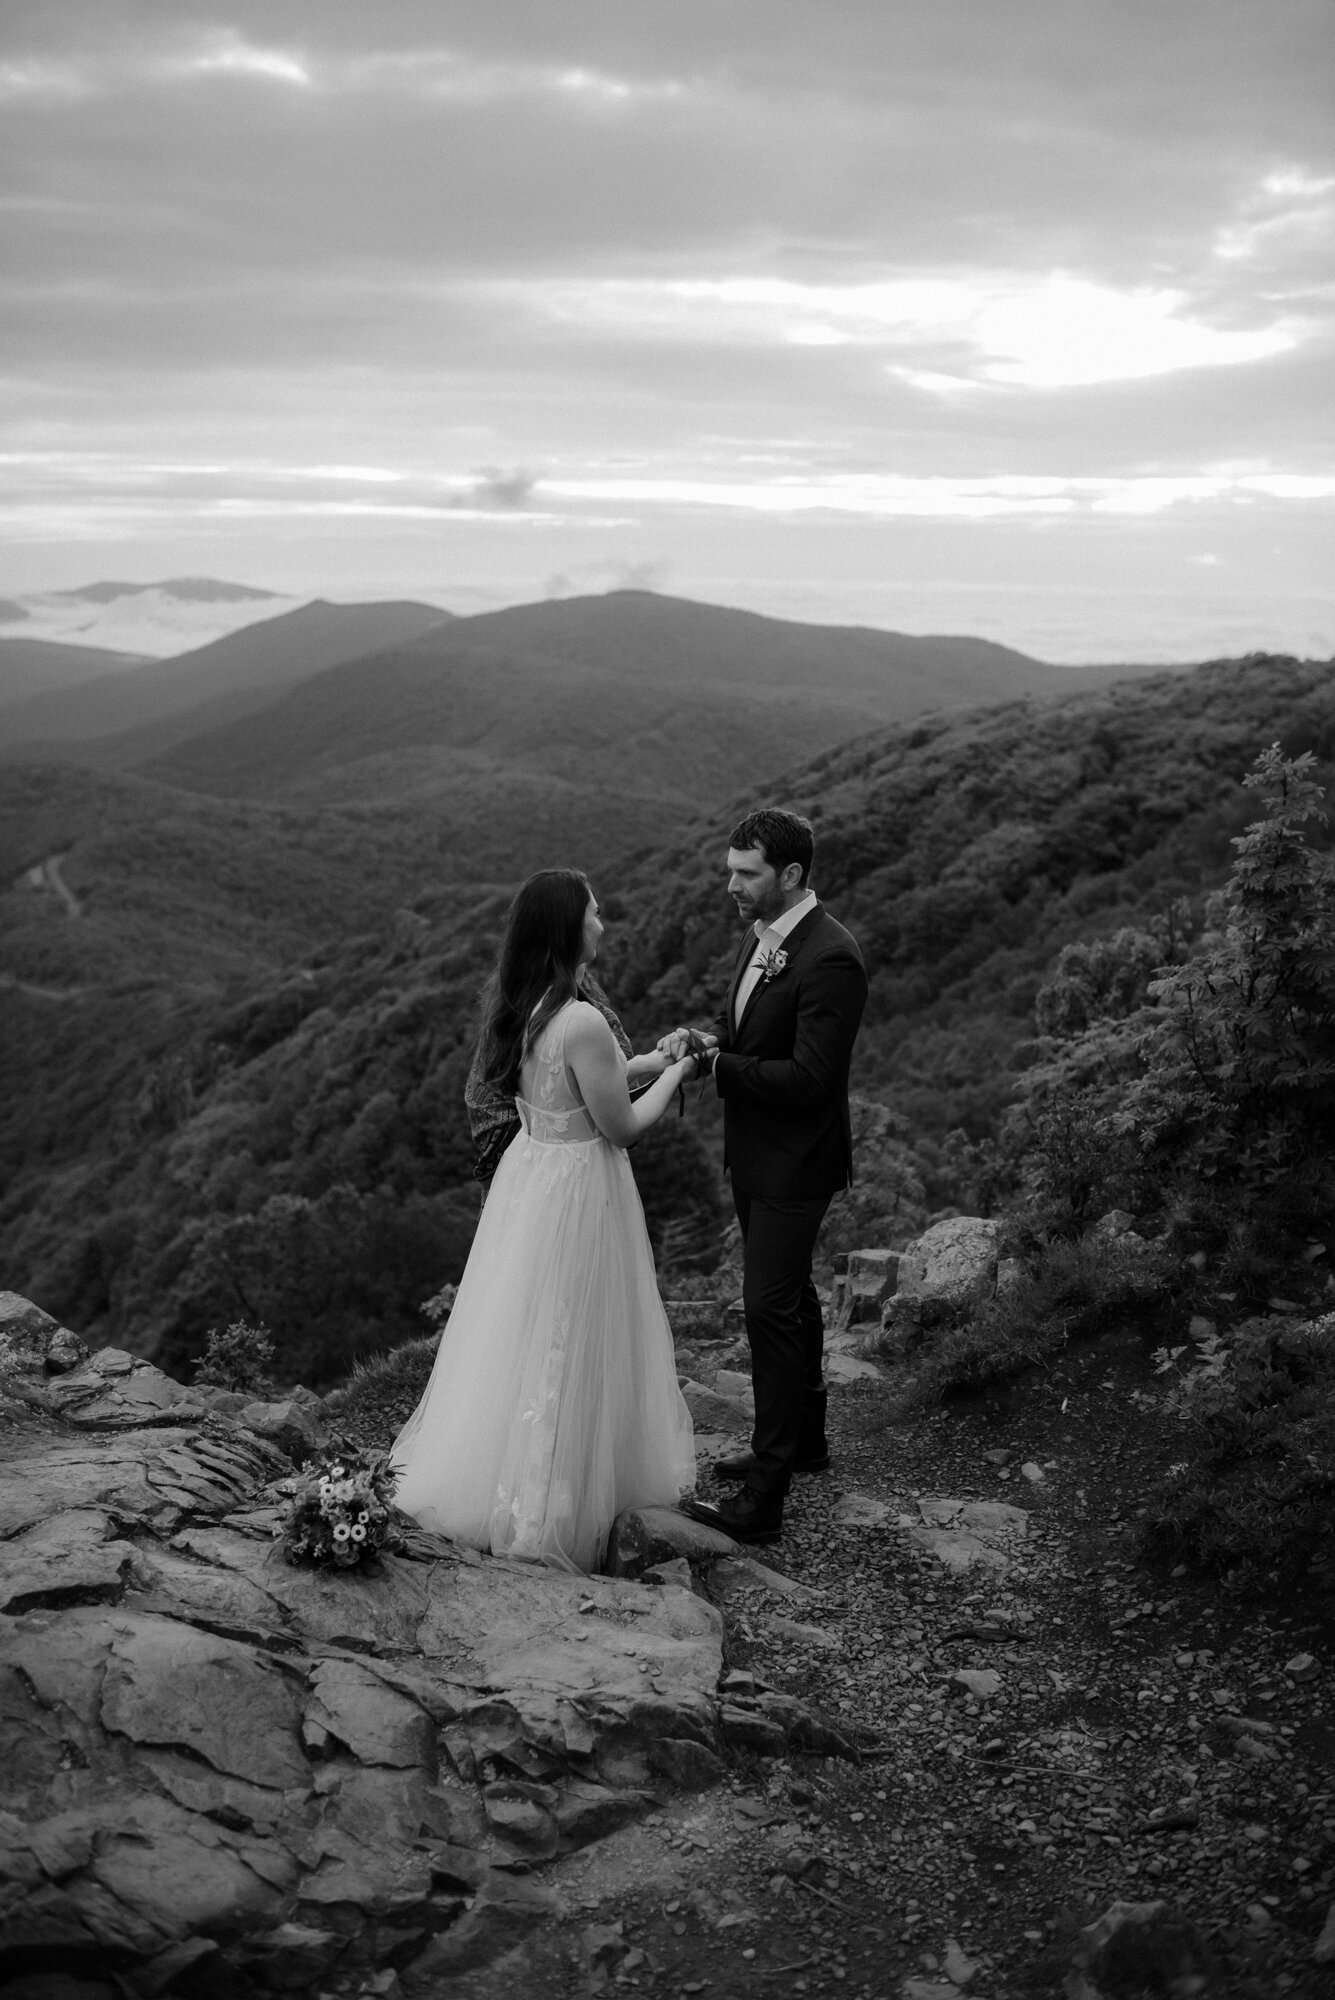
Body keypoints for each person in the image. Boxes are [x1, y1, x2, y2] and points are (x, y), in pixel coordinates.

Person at [392, 868, 697, 1572]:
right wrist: (680, 1076)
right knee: (570, 1334)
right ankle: (549, 1506)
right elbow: (619, 1126)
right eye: (593, 913)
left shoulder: (532, 1005)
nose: (603, 922)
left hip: (535, 1180)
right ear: (567, 928)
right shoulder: (584, 1017)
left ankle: (514, 1481)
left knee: (529, 1332)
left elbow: (588, 1080)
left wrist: (658, 1054)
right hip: (578, 1188)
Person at [661, 807, 867, 1545]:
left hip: (795, 1163)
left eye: (745, 874)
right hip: (754, 1156)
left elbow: (811, 1078)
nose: (730, 886)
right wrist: (711, 1041)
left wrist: (718, 1066)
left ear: (790, 875)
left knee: (767, 1311)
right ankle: (803, 1442)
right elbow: (760, 1040)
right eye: (729, 870)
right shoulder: (764, 939)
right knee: (792, 1302)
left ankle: (764, 1498)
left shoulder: (829, 955)